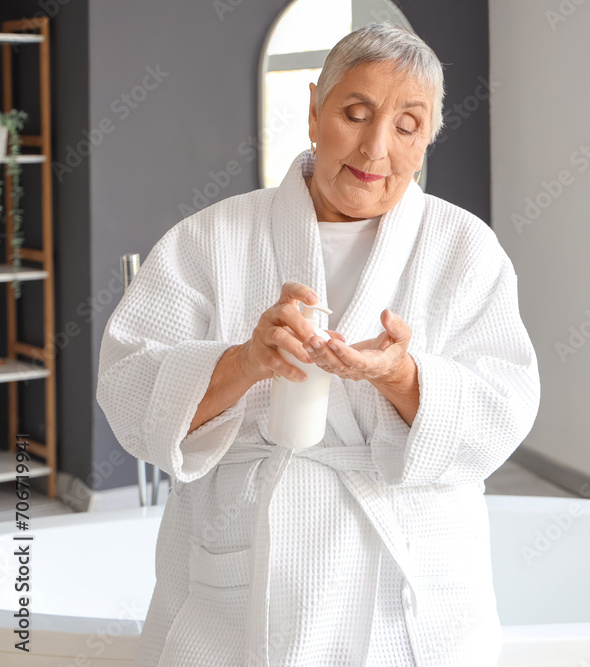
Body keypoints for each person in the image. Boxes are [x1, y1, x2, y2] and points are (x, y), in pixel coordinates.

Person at [96, 21, 540, 667]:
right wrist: (245, 362)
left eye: (407, 126)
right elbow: (129, 388)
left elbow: (504, 407)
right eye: (356, 113)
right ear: (313, 110)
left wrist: (402, 377)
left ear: (428, 140)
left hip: (408, 578)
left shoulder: (465, 249)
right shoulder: (209, 238)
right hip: (241, 586)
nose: (376, 147)